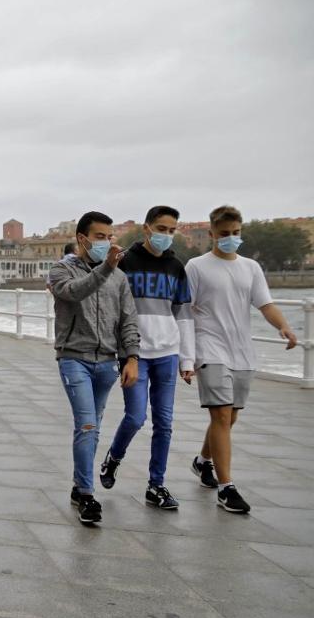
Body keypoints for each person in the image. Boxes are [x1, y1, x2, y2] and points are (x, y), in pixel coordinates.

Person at [186, 205, 298, 514]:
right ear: (211, 233)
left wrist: (284, 326)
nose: (231, 238)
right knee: (221, 416)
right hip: (209, 348)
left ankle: (203, 462)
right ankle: (227, 488)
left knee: (229, 418)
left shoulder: (251, 268)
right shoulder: (196, 267)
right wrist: (185, 356)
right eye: (224, 234)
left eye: (236, 233)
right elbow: (183, 311)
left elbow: (265, 304)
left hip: (242, 351)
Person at [48, 211, 140, 526]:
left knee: (94, 426)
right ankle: (87, 495)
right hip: (74, 358)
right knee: (86, 424)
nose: (106, 242)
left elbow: (129, 319)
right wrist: (106, 268)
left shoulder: (119, 277)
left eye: (109, 237)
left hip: (107, 363)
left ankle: (78, 485)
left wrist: (132, 358)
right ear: (82, 238)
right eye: (100, 236)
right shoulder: (61, 270)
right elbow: (75, 292)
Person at [99, 206, 193, 511]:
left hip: (167, 353)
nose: (167, 235)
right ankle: (114, 457)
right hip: (134, 354)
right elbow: (112, 309)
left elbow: (184, 314)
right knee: (136, 416)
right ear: (147, 229)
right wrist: (124, 354)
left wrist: (187, 360)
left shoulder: (177, 267)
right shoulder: (125, 262)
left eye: (172, 230)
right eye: (162, 228)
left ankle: (156, 485)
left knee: (164, 423)